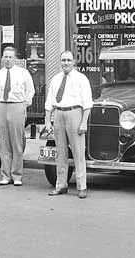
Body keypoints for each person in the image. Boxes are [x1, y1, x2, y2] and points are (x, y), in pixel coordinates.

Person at [43, 50, 93, 199]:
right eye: (63, 60)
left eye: (68, 60)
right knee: (61, 153)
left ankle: (81, 187)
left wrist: (83, 122)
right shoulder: (55, 79)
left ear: (73, 62)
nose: (66, 63)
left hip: (74, 113)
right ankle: (61, 185)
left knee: (78, 152)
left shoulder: (81, 79)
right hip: (58, 114)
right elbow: (49, 101)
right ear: (60, 62)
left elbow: (87, 103)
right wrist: (48, 121)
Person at [0, 46, 35, 186]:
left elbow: (30, 91)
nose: (8, 59)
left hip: (17, 105)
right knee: (4, 143)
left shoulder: (23, 73)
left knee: (17, 142)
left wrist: (23, 105)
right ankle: (5, 175)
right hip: (2, 106)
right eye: (5, 57)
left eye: (10, 57)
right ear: (2, 58)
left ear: (15, 59)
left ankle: (17, 175)